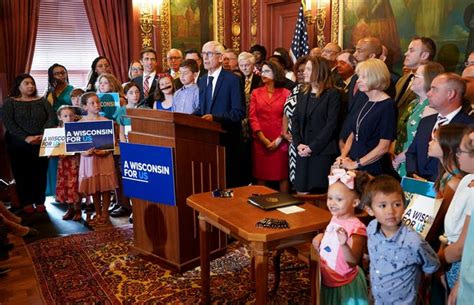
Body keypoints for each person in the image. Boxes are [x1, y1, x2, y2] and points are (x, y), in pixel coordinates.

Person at [363, 175, 440, 304]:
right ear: (370, 210)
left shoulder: (414, 241)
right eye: (382, 205)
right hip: (377, 299)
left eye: (397, 204)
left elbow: (432, 265)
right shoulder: (371, 228)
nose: (391, 211)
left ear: (404, 205)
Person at [312, 169, 371, 305]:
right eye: (330, 198)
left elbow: (353, 261)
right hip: (328, 276)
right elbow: (331, 242)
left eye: (339, 199)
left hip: (344, 283)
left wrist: (344, 244)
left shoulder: (357, 228)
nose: (332, 203)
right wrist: (322, 237)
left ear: (355, 203)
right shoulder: (335, 217)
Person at [406, 73, 474, 181]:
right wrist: (413, 174)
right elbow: (411, 152)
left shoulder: (469, 127)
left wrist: (433, 182)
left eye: (434, 89)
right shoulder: (426, 121)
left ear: (450, 94)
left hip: (445, 188)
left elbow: (463, 163)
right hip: (414, 183)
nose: (428, 94)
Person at [3, 74, 55, 213]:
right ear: (19, 86)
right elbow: (9, 123)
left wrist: (42, 134)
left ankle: (39, 201)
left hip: (41, 141)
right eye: (26, 83)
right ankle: (26, 202)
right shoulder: (10, 102)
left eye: (32, 83)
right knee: (22, 173)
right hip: (17, 144)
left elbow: (52, 118)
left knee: (40, 173)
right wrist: (26, 137)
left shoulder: (42, 101)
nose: (31, 86)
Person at [336, 58, 397, 178]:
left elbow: (383, 147)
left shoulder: (387, 105)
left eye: (363, 77)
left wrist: (355, 164)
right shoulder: (365, 100)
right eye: (359, 77)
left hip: (373, 169)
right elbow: (354, 133)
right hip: (355, 165)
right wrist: (343, 156)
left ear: (376, 77)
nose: (358, 81)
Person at [196, 41, 245, 187]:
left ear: (220, 57)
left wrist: (215, 118)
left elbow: (239, 112)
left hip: (228, 141)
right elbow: (202, 109)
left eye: (209, 54)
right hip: (208, 141)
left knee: (228, 186)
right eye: (203, 54)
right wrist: (186, 117)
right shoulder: (203, 80)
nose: (205, 58)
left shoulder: (233, 80)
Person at [292, 56, 341, 194]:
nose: (304, 72)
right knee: (301, 192)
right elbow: (295, 119)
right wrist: (298, 144)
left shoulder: (333, 94)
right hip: (302, 152)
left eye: (308, 69)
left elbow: (331, 125)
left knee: (319, 195)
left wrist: (312, 147)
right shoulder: (302, 92)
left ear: (319, 71)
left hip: (321, 153)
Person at [393, 62, 444, 177]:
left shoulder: (431, 108)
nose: (412, 79)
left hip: (412, 164)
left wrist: (398, 159)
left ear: (429, 80)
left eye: (416, 76)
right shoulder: (413, 103)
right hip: (399, 160)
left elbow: (422, 142)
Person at [249, 61, 290, 192]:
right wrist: (262, 138)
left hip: (281, 140)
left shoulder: (286, 93)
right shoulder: (256, 92)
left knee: (282, 176)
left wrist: (279, 139)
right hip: (261, 140)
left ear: (276, 73)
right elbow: (253, 117)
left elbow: (288, 117)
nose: (263, 74)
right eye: (262, 71)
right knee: (261, 175)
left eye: (267, 71)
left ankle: (285, 208)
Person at [78, 92, 118, 225]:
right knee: (94, 186)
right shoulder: (79, 123)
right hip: (89, 160)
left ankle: (105, 212)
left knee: (105, 186)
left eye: (98, 102)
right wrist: (83, 153)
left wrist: (105, 151)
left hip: (104, 158)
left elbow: (112, 142)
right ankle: (98, 211)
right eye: (92, 103)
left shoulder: (107, 122)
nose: (96, 105)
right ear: (85, 107)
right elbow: (76, 144)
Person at [446, 126, 474, 305]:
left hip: (462, 265)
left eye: (461, 151)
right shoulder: (466, 180)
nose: (457, 155)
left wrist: (437, 260)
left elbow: (463, 246)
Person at [283, 55, 309, 185]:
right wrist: (284, 132)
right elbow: (286, 112)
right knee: (294, 178)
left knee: (303, 179)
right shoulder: (295, 89)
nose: (300, 74)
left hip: (304, 141)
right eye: (298, 71)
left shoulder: (312, 90)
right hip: (292, 141)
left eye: (304, 70)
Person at [395, 37, 436, 114]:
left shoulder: (431, 83)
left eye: (411, 50)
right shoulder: (402, 79)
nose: (406, 53)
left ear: (424, 55)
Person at [55, 105, 81, 221]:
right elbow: (53, 147)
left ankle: (78, 209)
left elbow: (82, 144)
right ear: (60, 117)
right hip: (63, 163)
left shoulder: (79, 129)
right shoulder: (56, 131)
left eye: (71, 115)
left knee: (76, 185)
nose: (69, 118)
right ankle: (70, 208)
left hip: (75, 162)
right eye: (65, 116)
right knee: (65, 185)